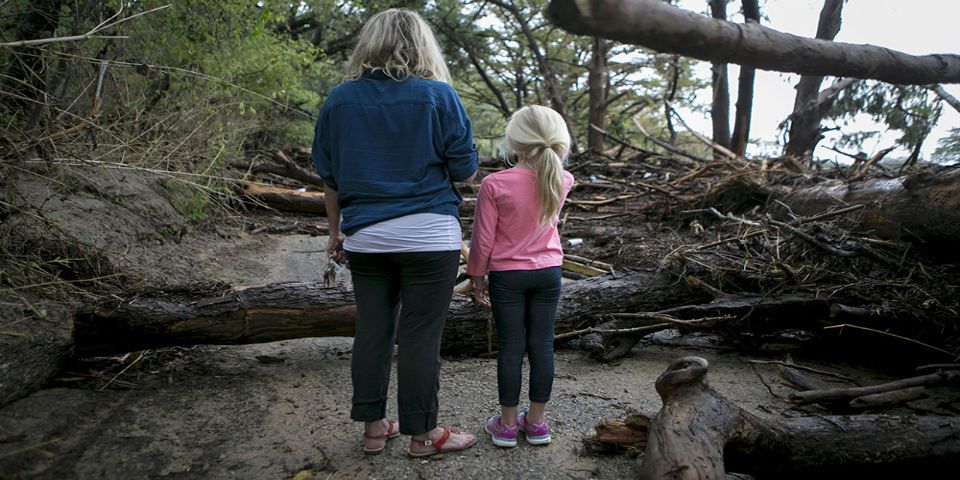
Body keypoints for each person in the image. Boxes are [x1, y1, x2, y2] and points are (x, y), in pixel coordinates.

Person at [311, 8, 478, 457]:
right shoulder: (439, 96)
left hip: (366, 237)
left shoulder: (340, 100)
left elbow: (330, 176)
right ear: (424, 46)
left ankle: (372, 429)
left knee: (373, 331)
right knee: (421, 336)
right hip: (430, 237)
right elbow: (464, 169)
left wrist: (335, 232)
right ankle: (424, 438)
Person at [466, 105, 574, 448]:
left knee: (511, 348)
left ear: (515, 140)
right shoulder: (563, 179)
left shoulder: (494, 184)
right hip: (549, 273)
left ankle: (508, 426)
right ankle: (538, 423)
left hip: (508, 276)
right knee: (542, 346)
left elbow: (482, 240)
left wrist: (476, 278)